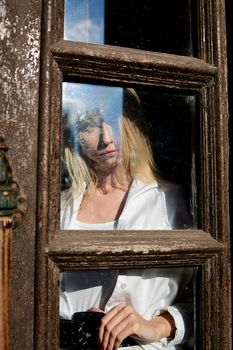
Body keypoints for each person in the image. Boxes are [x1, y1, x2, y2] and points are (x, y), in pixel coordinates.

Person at [60, 87, 194, 350]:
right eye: (89, 125)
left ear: (131, 122)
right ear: (74, 134)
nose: (106, 139)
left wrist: (158, 326)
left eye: (114, 117)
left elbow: (210, 300)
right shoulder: (58, 208)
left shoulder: (167, 200)